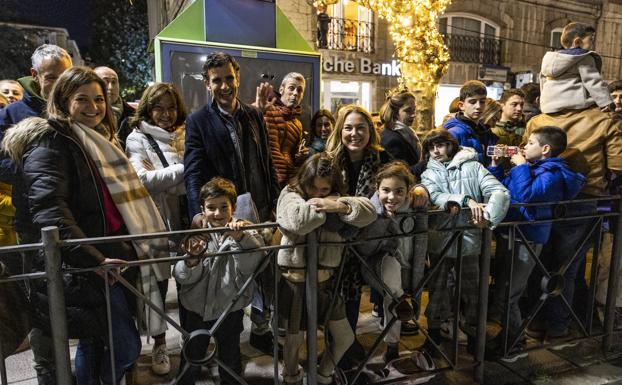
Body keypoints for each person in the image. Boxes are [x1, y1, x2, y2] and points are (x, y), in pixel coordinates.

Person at [1, 66, 173, 384]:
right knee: (124, 347)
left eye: (99, 99)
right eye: (83, 99)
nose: (94, 107)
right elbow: (50, 214)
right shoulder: (49, 143)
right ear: (63, 101)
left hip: (111, 260)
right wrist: (94, 260)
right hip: (84, 266)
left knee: (97, 345)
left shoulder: (99, 140)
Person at [184, 51, 280, 355]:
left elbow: (267, 160)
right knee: (232, 277)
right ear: (207, 83)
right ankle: (225, 345)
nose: (224, 85)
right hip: (226, 214)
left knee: (264, 272)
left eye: (229, 78)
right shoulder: (198, 121)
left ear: (237, 77)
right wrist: (198, 213)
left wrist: (276, 199)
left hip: (260, 207)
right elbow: (193, 169)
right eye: (217, 80)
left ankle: (261, 331)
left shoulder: (253, 115)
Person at [0, 43, 72, 385]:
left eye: (65, 77)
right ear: (34, 76)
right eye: (52, 77)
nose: (60, 85)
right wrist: (42, 169)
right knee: (42, 307)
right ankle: (47, 375)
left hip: (76, 222)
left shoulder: (74, 108)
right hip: (33, 227)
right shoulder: (12, 115)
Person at [276, 153, 376, 384]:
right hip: (295, 281)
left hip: (326, 282)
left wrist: (337, 205)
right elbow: (299, 221)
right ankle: (290, 377)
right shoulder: (290, 193)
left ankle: (323, 375)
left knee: (344, 337)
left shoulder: (335, 199)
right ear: (305, 181)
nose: (317, 194)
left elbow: (369, 211)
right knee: (294, 340)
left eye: (324, 189)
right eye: (313, 188)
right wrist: (327, 209)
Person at [487, 127, 585, 358]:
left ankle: (516, 343)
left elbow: (527, 196)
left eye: (530, 143)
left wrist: (520, 166)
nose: (524, 146)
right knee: (504, 289)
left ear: (545, 149)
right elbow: (500, 192)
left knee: (511, 292)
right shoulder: (530, 168)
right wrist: (496, 165)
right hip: (510, 232)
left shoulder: (551, 173)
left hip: (527, 237)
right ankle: (508, 338)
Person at [420, 129, 509, 355]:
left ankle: (473, 337)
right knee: (438, 289)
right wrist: (465, 200)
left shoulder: (473, 166)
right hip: (440, 240)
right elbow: (435, 195)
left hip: (468, 241)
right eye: (431, 147)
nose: (435, 151)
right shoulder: (429, 172)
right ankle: (434, 335)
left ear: (451, 144)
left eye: (440, 145)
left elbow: (500, 192)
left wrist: (488, 217)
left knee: (473, 291)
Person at [174, 177, 264, 385]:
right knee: (192, 355)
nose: (218, 213)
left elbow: (252, 266)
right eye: (211, 208)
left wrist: (240, 239)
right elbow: (182, 276)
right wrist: (192, 261)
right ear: (202, 209)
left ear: (233, 207)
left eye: (224, 207)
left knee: (230, 354)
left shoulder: (244, 231)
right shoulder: (197, 234)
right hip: (196, 309)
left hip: (230, 308)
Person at [125, 82, 188, 375]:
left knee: (190, 281)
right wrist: (184, 168)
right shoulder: (137, 138)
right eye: (158, 107)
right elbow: (142, 181)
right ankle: (159, 345)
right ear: (148, 109)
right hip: (154, 222)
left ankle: (192, 340)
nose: (165, 114)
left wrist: (165, 177)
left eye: (171, 107)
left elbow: (180, 183)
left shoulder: (186, 133)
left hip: (186, 222)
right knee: (156, 288)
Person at [354, 161, 428, 363]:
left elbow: (427, 198)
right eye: (385, 190)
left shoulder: (414, 203)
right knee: (393, 295)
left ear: (408, 190)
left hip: (411, 262)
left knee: (397, 297)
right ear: (377, 189)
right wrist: (381, 220)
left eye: (399, 191)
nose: (392, 197)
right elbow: (366, 249)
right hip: (381, 265)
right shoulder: (371, 209)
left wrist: (424, 191)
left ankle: (400, 313)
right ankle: (392, 345)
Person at [539, 22, 614, 114]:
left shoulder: (548, 59)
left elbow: (543, 81)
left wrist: (543, 104)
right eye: (591, 39)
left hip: (549, 107)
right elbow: (593, 82)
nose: (592, 43)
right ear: (577, 42)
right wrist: (606, 102)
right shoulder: (584, 58)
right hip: (574, 104)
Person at [256, 72, 307, 187]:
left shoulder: (297, 124)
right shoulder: (266, 110)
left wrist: (300, 156)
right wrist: (258, 111)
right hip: (265, 180)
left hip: (286, 183)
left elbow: (293, 157)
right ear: (281, 89)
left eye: (299, 90)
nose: (295, 93)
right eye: (291, 88)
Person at [443, 80, 498, 165]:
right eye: (472, 102)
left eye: (482, 101)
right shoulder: (454, 133)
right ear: (461, 105)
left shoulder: (485, 132)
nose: (478, 106)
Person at [94, 66, 136, 148]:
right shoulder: (87, 114)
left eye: (114, 82)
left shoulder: (135, 115)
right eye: (105, 81)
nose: (110, 87)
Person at [379, 90, 422, 167]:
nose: (413, 115)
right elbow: (399, 173)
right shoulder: (392, 139)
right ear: (395, 113)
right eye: (408, 111)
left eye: (414, 110)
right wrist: (424, 165)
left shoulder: (406, 133)